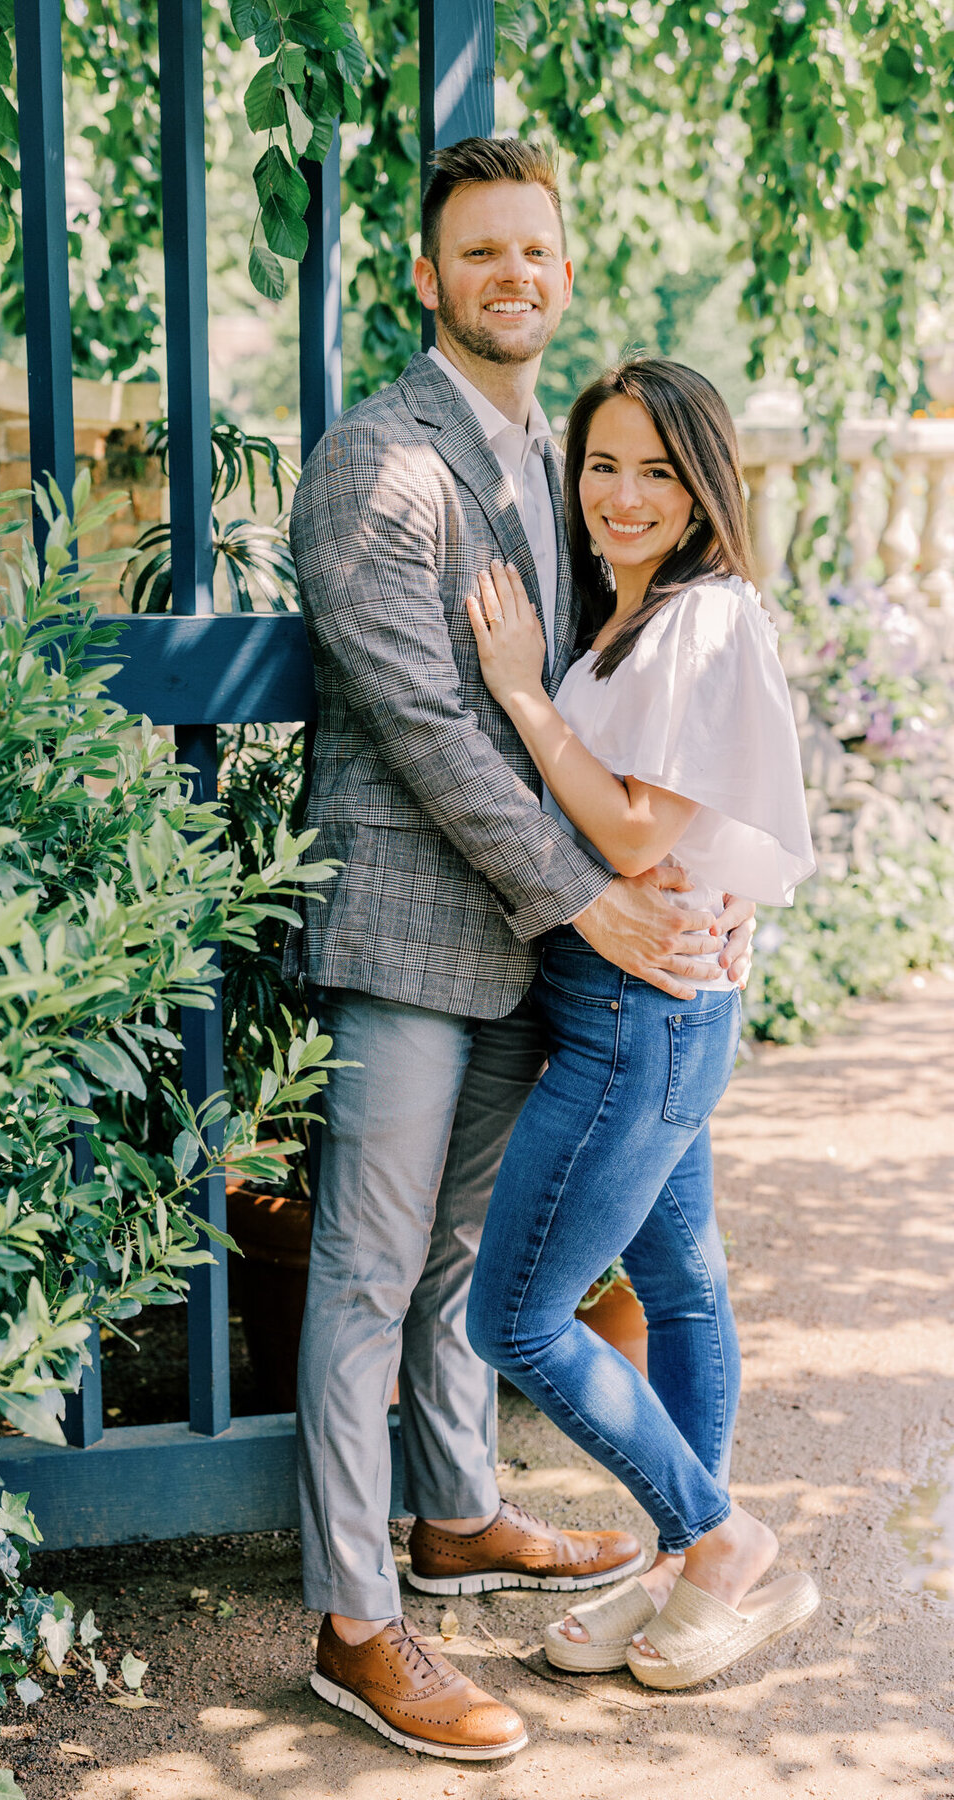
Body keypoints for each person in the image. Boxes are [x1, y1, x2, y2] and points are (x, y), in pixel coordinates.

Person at [289, 136, 755, 1761]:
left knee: (462, 1274)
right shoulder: (377, 458)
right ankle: (358, 1626)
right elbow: (428, 721)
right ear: (429, 276)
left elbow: (619, 707)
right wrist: (585, 893)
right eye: (477, 251)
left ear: (562, 265)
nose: (511, 274)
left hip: (525, 957)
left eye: (533, 250)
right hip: (418, 937)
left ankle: (458, 1511)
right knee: (362, 1272)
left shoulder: (558, 468)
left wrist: (689, 864)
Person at [464, 355, 818, 1691]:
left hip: (642, 1019)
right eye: (600, 463)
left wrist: (515, 688)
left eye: (656, 471)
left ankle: (719, 1538)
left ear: (703, 486)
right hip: (636, 1008)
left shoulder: (706, 620)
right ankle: (688, 1565)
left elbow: (626, 825)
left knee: (519, 1317)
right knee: (678, 1287)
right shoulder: (630, 616)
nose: (621, 493)